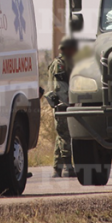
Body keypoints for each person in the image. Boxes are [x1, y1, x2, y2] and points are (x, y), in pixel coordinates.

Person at [46, 36, 79, 177]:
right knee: (65, 136)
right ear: (67, 49)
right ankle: (68, 168)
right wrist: (67, 102)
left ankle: (57, 169)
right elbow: (60, 87)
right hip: (62, 104)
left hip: (63, 103)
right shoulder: (60, 64)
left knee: (61, 136)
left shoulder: (65, 62)